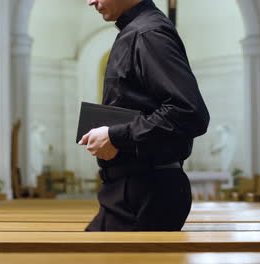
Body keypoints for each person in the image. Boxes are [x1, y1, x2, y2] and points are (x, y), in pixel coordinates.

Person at [78, 0, 210, 231]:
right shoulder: (136, 31)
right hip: (131, 190)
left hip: (145, 190)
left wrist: (116, 137)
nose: (91, 1)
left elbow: (190, 112)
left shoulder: (149, 33)